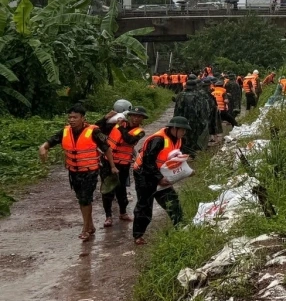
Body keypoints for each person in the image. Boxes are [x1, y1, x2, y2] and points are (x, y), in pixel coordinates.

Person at [38, 104, 117, 241]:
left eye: (75, 117)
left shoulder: (94, 132)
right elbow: (50, 142)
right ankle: (90, 226)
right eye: (70, 117)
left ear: (82, 118)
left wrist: (112, 166)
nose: (72, 120)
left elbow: (107, 149)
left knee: (85, 199)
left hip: (89, 171)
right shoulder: (65, 131)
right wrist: (43, 147)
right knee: (81, 199)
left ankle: (85, 229)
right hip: (74, 172)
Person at [131, 116, 191, 244]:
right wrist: (159, 178)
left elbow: (177, 156)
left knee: (172, 200)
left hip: (161, 173)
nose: (184, 133)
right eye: (183, 130)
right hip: (144, 174)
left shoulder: (178, 139)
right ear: (174, 128)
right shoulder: (158, 140)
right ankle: (138, 235)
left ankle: (181, 227)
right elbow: (148, 162)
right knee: (145, 204)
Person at [97, 105, 148, 226]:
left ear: (142, 119)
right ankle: (108, 216)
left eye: (139, 117)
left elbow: (129, 140)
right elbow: (98, 128)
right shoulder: (117, 124)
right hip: (107, 162)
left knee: (121, 189)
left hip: (123, 164)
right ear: (129, 116)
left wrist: (120, 127)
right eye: (133, 116)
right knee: (107, 189)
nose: (135, 118)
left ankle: (123, 212)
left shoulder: (140, 132)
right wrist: (105, 118)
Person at [174, 76, 211, 154]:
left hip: (180, 119)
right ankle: (190, 152)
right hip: (193, 120)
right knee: (192, 136)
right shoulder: (197, 95)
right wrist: (203, 119)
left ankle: (181, 150)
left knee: (181, 135)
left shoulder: (180, 95)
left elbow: (177, 108)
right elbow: (201, 109)